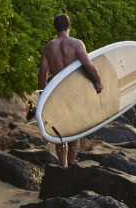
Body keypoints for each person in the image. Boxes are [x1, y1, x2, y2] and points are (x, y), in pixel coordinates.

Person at [37, 13, 103, 166]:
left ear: (54, 28)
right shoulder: (76, 44)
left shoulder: (48, 48)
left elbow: (42, 75)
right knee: (74, 130)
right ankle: (72, 164)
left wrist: (42, 97)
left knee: (60, 131)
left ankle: (62, 165)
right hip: (75, 93)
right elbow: (87, 64)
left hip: (57, 93)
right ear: (69, 26)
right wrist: (98, 81)